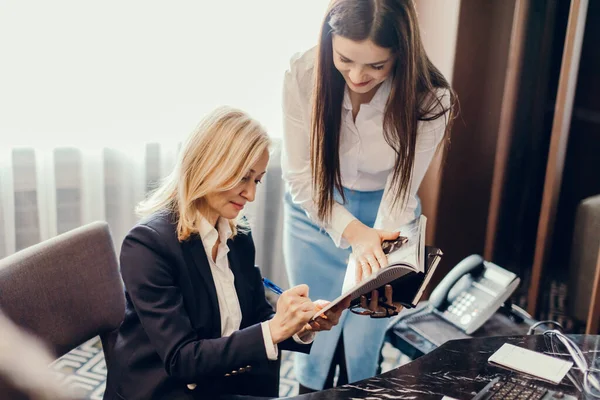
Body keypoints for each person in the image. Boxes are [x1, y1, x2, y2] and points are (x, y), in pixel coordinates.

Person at [103, 107, 349, 400]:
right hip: (167, 390)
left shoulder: (237, 234)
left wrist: (299, 324)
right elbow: (182, 359)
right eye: (243, 177)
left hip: (223, 383)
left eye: (256, 180)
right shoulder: (147, 246)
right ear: (209, 165)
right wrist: (274, 329)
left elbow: (256, 316)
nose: (252, 194)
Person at [281, 0, 456, 392]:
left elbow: (401, 188)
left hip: (388, 217)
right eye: (345, 59)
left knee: (365, 338)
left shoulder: (431, 97)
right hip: (316, 212)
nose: (358, 76)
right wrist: (356, 235)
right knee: (315, 327)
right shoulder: (303, 72)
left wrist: (374, 249)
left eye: (376, 65)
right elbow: (300, 177)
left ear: (400, 52)